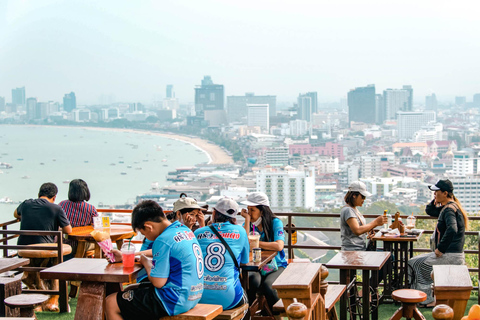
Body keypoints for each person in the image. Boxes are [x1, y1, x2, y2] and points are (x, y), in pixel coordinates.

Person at [105, 200, 203, 320]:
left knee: (110, 302)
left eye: (143, 233)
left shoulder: (162, 240)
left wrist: (146, 263)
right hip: (193, 295)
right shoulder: (184, 230)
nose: (146, 237)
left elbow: (158, 282)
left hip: (174, 300)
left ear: (148, 227)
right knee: (131, 289)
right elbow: (163, 252)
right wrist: (130, 256)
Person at [408, 179, 468, 306]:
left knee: (414, 263)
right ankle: (422, 297)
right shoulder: (448, 207)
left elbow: (452, 229)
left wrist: (440, 249)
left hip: (449, 255)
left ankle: (425, 299)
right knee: (414, 262)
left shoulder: (449, 210)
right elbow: (430, 211)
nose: (434, 194)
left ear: (445, 193)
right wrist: (435, 200)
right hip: (452, 254)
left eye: (436, 192)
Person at [194, 197, 249, 315]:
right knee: (247, 305)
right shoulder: (241, 231)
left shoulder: (198, 233)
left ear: (214, 213)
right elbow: (244, 261)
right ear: (234, 217)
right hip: (228, 297)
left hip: (199, 295)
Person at [240, 192, 288, 312]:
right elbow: (244, 244)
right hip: (255, 267)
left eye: (252, 210)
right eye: (248, 210)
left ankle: (278, 315)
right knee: (251, 282)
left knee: (269, 287)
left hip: (276, 265)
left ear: (262, 210)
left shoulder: (275, 222)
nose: (249, 213)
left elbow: (279, 246)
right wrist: (246, 220)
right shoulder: (249, 224)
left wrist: (256, 244)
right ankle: (247, 314)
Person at [340, 181, 387, 251]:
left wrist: (368, 230)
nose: (364, 199)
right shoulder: (348, 210)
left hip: (360, 249)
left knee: (388, 255)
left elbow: (358, 230)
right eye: (362, 196)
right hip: (353, 251)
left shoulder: (354, 210)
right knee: (389, 256)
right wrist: (376, 222)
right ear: (354, 195)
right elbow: (357, 230)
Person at [59, 179, 98, 257]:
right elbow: (97, 226)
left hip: (64, 243)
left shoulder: (62, 205)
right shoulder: (90, 208)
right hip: (82, 244)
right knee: (99, 244)